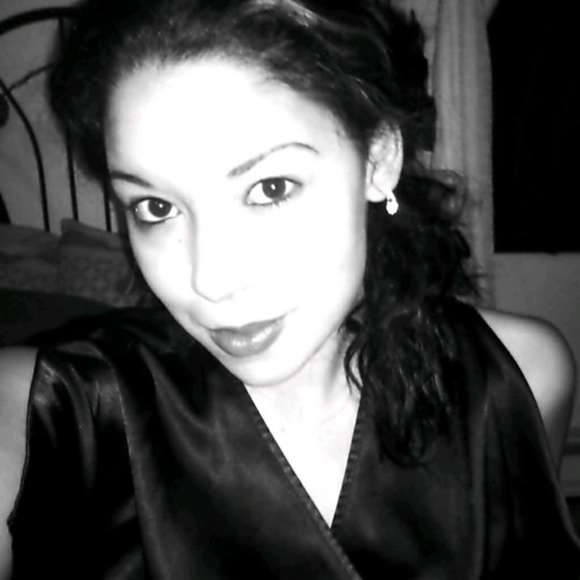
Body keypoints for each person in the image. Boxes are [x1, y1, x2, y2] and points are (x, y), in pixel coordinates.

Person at [0, 0, 579, 577]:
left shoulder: (518, 380)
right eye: (155, 207)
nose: (211, 281)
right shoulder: (56, 414)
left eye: (271, 188)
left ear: (379, 158)